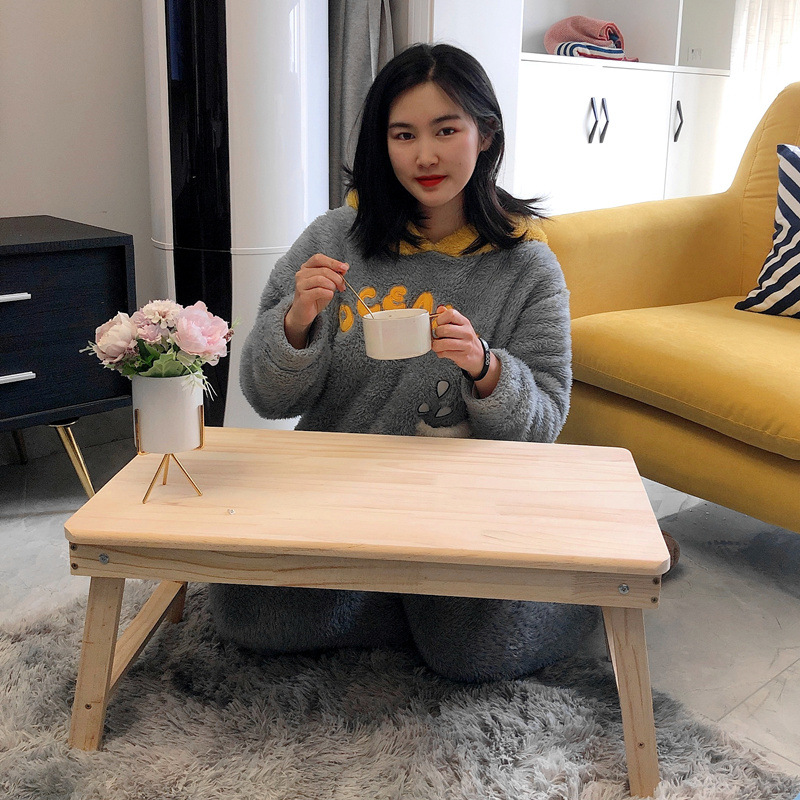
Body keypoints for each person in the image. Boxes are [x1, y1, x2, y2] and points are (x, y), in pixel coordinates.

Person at [209, 43, 597, 682]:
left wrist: (486, 369)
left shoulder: (528, 265)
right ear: (382, 144)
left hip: (460, 507)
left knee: (474, 654)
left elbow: (546, 420)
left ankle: (578, 594)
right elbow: (266, 397)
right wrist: (296, 322)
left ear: (485, 134)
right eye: (403, 134)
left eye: (446, 130)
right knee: (246, 614)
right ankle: (408, 603)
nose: (425, 156)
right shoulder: (332, 238)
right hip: (338, 490)